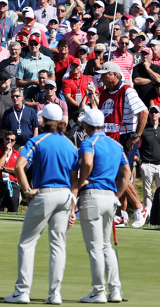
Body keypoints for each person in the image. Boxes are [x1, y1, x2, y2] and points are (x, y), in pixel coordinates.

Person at [4, 104, 78, 305]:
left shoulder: (37, 140)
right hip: (65, 197)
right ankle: (55, 294)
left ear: (43, 120)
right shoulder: (71, 145)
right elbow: (74, 181)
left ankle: (22, 292)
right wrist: (73, 210)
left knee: (27, 243)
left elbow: (18, 166)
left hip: (44, 194)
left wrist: (26, 191)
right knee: (58, 245)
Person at [74, 109, 129, 303]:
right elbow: (127, 173)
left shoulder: (88, 142)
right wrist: (118, 195)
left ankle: (98, 292)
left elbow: (87, 162)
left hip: (92, 196)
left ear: (87, 126)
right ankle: (115, 291)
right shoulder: (116, 144)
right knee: (106, 246)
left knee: (95, 247)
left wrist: (81, 182)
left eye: (83, 124)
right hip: (110, 199)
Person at [93, 61, 149, 228]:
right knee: (115, 176)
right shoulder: (104, 92)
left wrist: (136, 136)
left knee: (121, 175)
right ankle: (120, 215)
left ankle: (139, 208)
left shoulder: (127, 91)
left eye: (105, 74)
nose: (101, 78)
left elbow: (144, 112)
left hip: (125, 138)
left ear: (114, 75)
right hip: (109, 138)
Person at [0, 130, 20, 212]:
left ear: (14, 142)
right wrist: (6, 152)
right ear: (4, 139)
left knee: (13, 210)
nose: (9, 141)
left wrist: (3, 168)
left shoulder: (18, 154)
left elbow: (18, 170)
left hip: (13, 183)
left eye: (12, 140)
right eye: (7, 139)